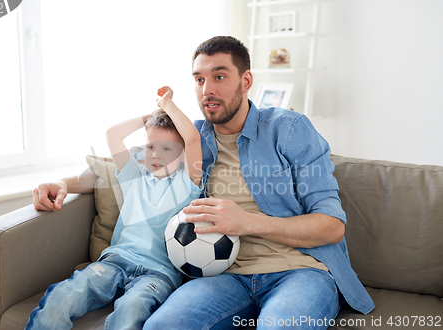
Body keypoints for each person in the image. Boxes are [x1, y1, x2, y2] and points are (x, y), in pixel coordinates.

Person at [141, 36, 375, 329]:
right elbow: (135, 168)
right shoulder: (192, 139)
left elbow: (332, 227)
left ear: (246, 80)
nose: (207, 90)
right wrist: (69, 183)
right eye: (199, 79)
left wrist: (246, 222)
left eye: (219, 76)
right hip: (222, 276)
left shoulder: (289, 130)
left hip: (299, 272)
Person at [26, 86, 203, 330]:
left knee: (131, 312)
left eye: (167, 148)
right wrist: (150, 117)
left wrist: (168, 105)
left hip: (158, 274)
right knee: (62, 297)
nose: (156, 155)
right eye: (151, 146)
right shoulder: (135, 176)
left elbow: (193, 138)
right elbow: (112, 134)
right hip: (115, 261)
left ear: (183, 154)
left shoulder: (187, 183)